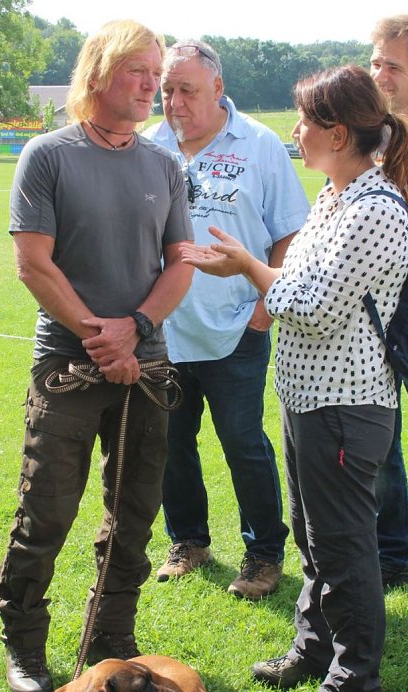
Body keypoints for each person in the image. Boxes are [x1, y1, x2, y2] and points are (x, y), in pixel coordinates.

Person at [181, 65, 408, 692]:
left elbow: (309, 306)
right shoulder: (335, 197)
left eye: (306, 121)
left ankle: (351, 690)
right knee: (315, 538)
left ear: (338, 133)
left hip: (345, 408)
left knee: (344, 548)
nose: (296, 132)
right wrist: (259, 267)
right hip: (309, 398)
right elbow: (305, 278)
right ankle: (314, 650)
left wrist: (250, 268)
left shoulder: (374, 209)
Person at [0, 20, 193, 692]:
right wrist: (98, 336)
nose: (151, 85)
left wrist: (135, 330)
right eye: (138, 70)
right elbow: (32, 263)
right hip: (69, 369)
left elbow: (178, 267)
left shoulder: (164, 165)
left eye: (156, 74)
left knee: (134, 513)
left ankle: (112, 639)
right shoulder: (48, 155)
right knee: (45, 509)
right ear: (100, 72)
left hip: (148, 368)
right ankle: (24, 640)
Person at [146, 40, 309, 598]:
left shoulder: (260, 145)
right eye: (167, 90)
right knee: (171, 440)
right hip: (164, 330)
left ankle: (264, 552)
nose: (174, 102)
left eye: (186, 90)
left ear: (218, 88)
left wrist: (262, 314)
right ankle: (188, 540)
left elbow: (290, 234)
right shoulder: (151, 145)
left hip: (237, 326)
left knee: (242, 443)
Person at [370, 15, 408, 587]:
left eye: (392, 63)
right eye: (374, 61)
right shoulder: (373, 135)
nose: (379, 73)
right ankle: (393, 560)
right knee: (381, 457)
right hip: (376, 329)